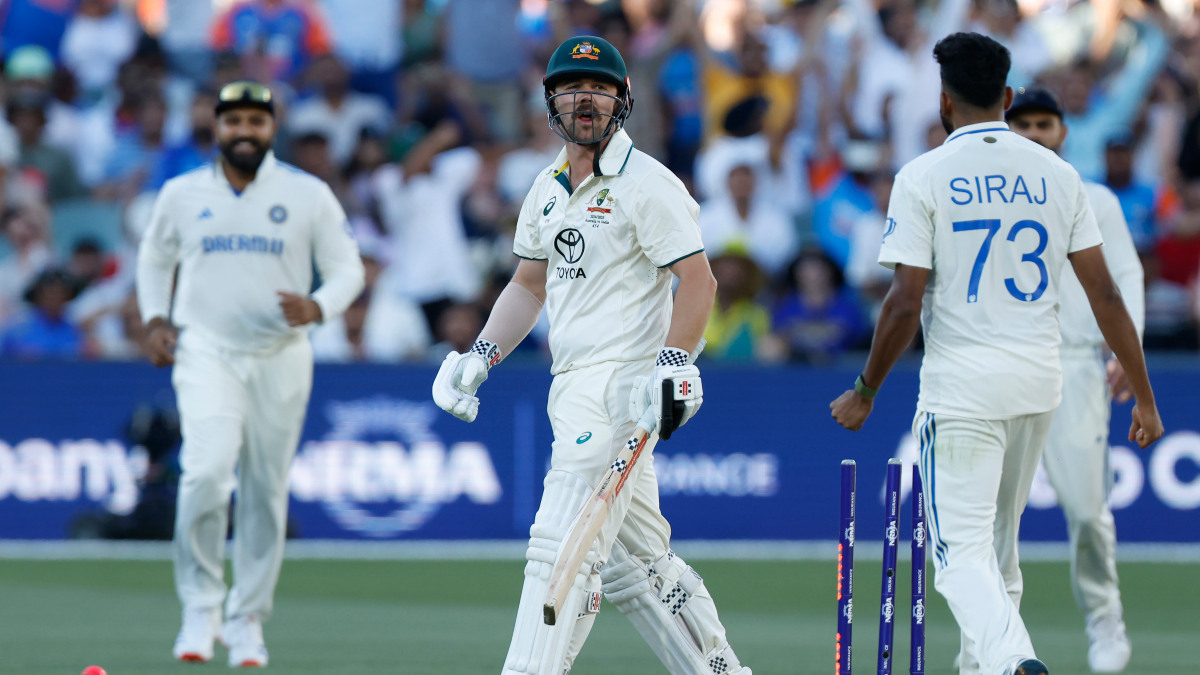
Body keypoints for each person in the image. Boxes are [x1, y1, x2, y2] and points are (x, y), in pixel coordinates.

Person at [829, 33, 1163, 675]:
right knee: (997, 554)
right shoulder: (1059, 175)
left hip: (963, 389)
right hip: (1039, 384)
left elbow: (902, 303)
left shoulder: (922, 175)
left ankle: (1012, 660)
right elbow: (1107, 294)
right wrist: (1145, 398)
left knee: (958, 555)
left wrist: (866, 389)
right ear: (1007, 98)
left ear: (944, 102)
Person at [432, 35, 751, 675]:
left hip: (623, 388)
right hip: (571, 383)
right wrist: (482, 354)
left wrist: (674, 363)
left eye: (601, 88)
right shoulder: (546, 187)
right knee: (641, 567)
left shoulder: (647, 183)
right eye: (573, 88)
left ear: (621, 101)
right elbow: (529, 284)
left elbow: (699, 280)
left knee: (559, 539)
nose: (586, 99)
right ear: (550, 100)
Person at [136, 80, 364, 668]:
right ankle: (200, 606)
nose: (244, 132)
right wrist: (155, 318)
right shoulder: (181, 193)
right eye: (233, 121)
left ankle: (247, 620)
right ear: (217, 127)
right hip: (205, 349)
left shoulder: (307, 193)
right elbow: (155, 257)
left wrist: (319, 306)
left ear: (272, 129)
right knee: (206, 473)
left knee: (265, 489)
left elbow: (348, 269)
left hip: (281, 354)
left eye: (255, 122)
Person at [1006, 86, 1144, 673]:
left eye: (1045, 124)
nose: (1035, 134)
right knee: (994, 517)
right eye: (1024, 125)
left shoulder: (1096, 198)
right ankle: (999, 639)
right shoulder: (990, 198)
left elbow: (1125, 276)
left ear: (1063, 133)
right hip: (1005, 360)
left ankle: (1105, 617)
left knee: (1088, 510)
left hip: (1077, 361)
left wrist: (1128, 351)